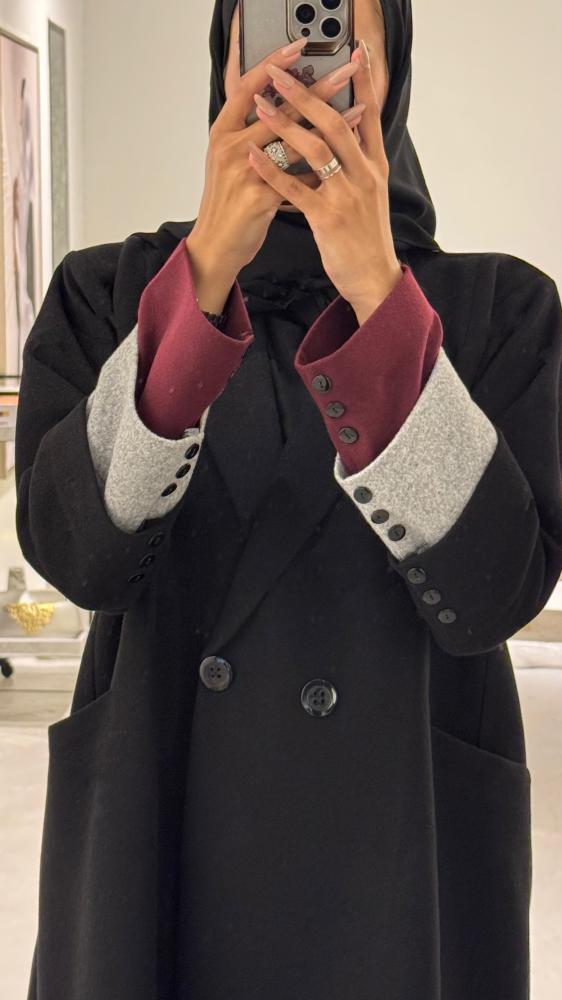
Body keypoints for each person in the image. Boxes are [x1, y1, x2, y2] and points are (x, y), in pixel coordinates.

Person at [16, 2, 562, 999]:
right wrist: (203, 276)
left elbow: (495, 592)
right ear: (226, 60)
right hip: (155, 823)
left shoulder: (500, 312)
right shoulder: (107, 295)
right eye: (278, 24)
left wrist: (378, 292)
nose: (303, 65)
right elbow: (74, 556)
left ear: (392, 68)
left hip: (403, 846)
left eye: (336, 30)